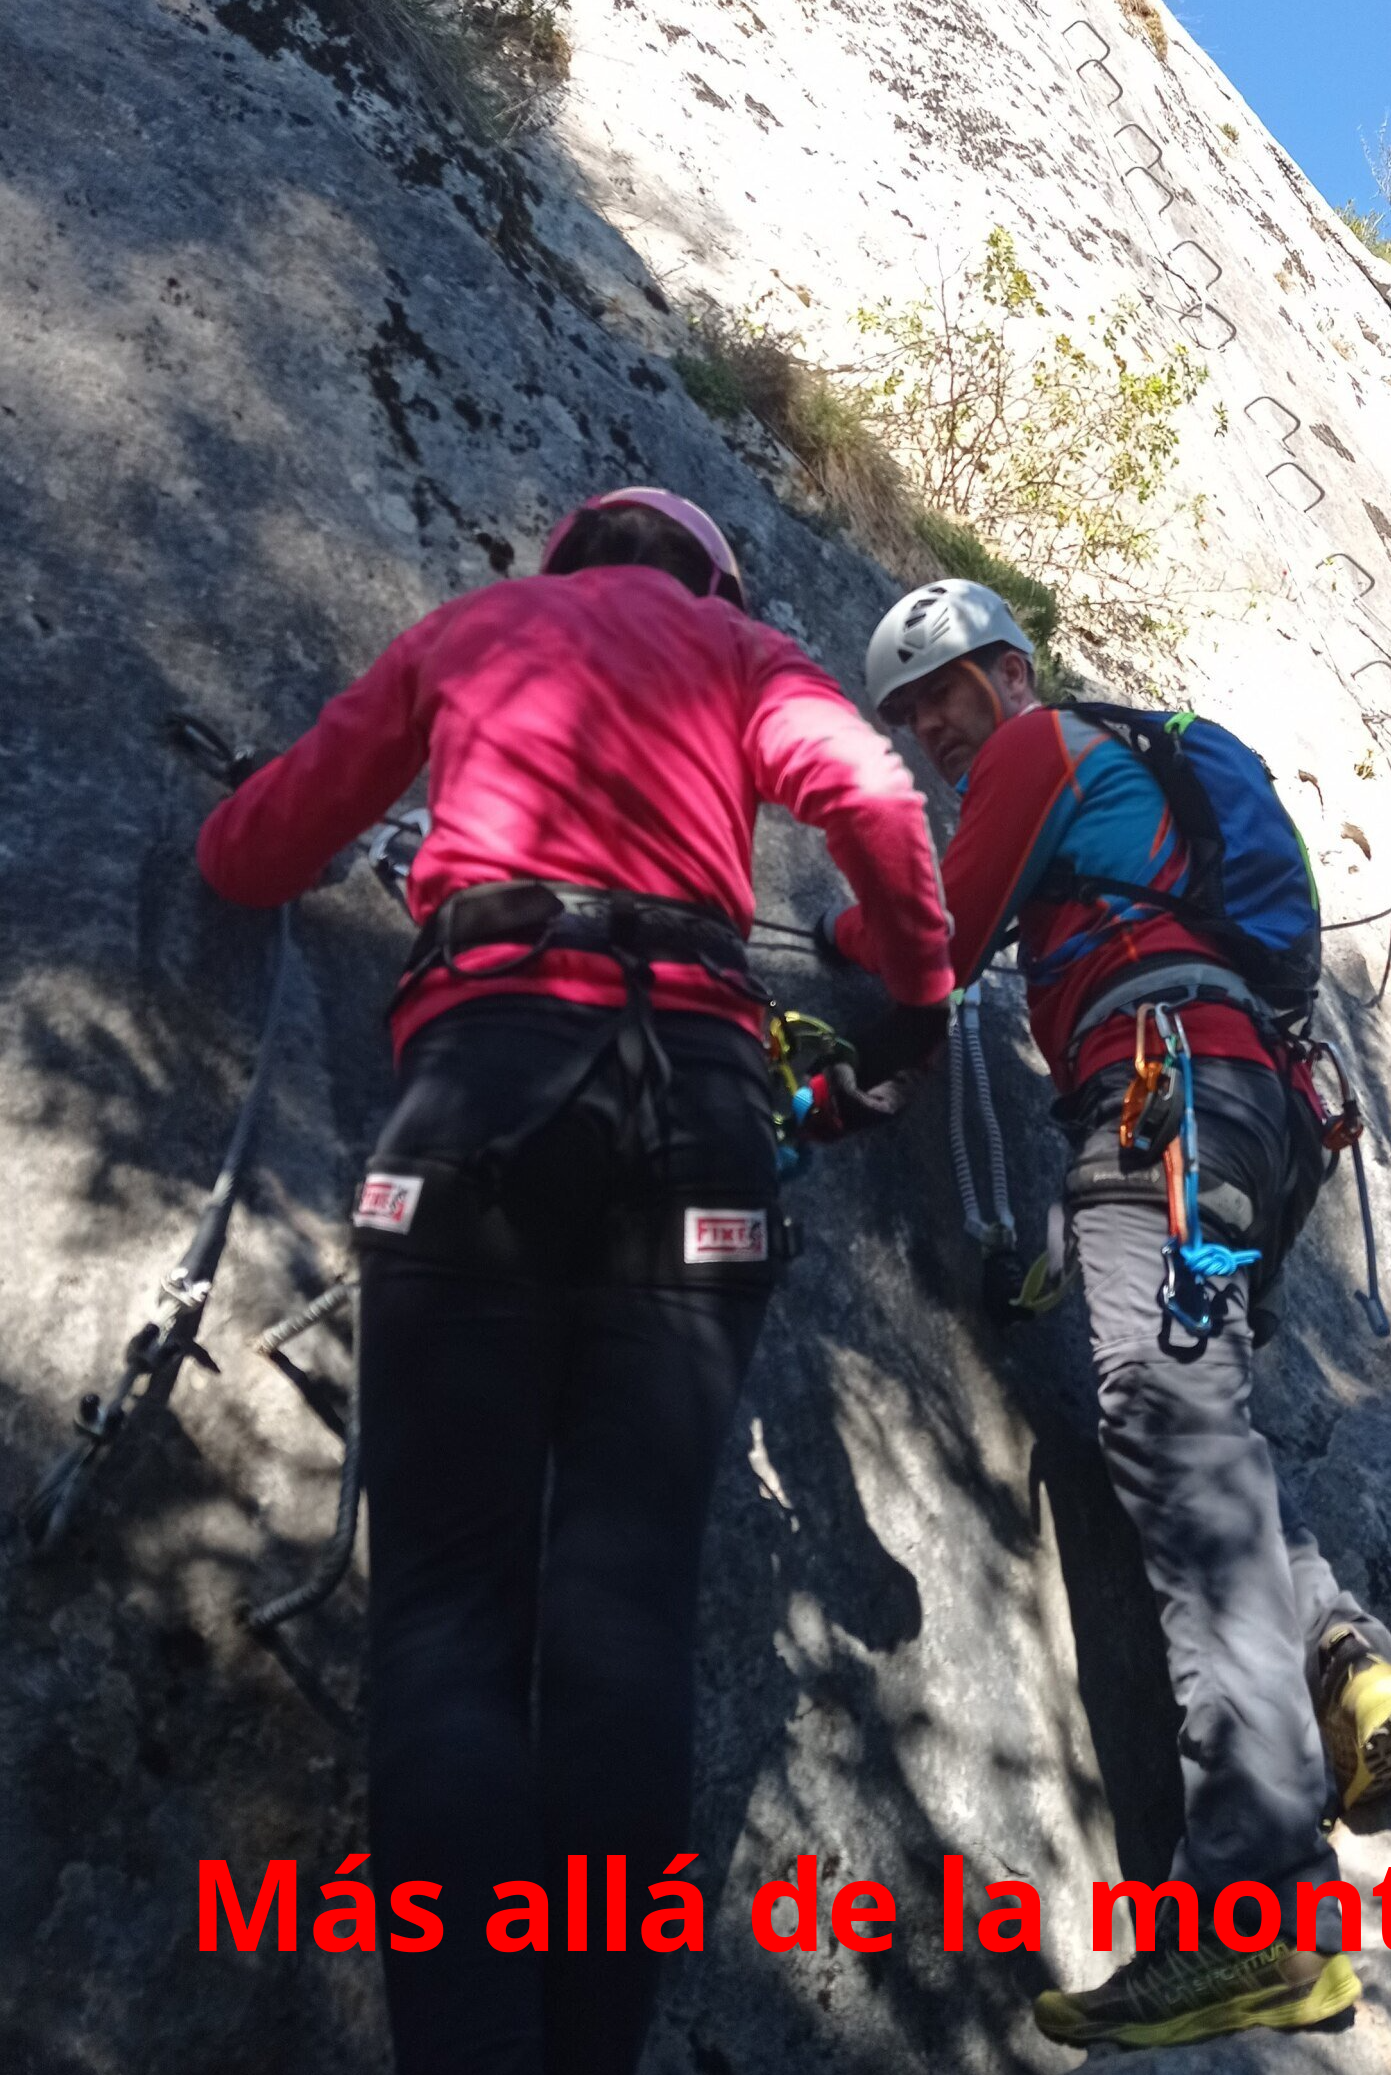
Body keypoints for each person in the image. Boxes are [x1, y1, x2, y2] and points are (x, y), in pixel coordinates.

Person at [195, 489, 954, 2075]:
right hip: (701, 1115)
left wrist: (235, 814)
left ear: (568, 562)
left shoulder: (474, 631)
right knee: (628, 1617)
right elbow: (877, 794)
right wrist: (915, 978)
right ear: (715, 580)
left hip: (482, 1084)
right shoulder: (746, 656)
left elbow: (261, 845)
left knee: (450, 1617)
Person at [824, 578, 1391, 2050]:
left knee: (1167, 1427)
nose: (939, 727)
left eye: (951, 691)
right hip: (1248, 1120)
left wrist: (832, 954)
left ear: (1012, 669)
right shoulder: (1128, 778)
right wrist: (1051, 1258)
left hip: (1163, 1096)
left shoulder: (1040, 751)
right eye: (913, 715)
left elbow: (932, 942)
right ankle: (1341, 1659)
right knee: (1199, 1421)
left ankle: (1263, 1913)